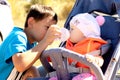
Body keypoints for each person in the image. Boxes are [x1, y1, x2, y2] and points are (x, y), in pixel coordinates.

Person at [0, 4, 61, 80]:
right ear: (31, 22)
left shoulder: (33, 44)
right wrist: (45, 41)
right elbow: (20, 64)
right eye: (47, 27)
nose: (48, 32)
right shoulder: (18, 36)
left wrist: (33, 70)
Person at [65, 13, 107, 80]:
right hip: (68, 73)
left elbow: (100, 59)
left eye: (72, 29)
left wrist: (94, 60)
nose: (69, 31)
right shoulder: (69, 45)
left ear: (84, 33)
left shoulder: (92, 45)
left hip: (87, 75)